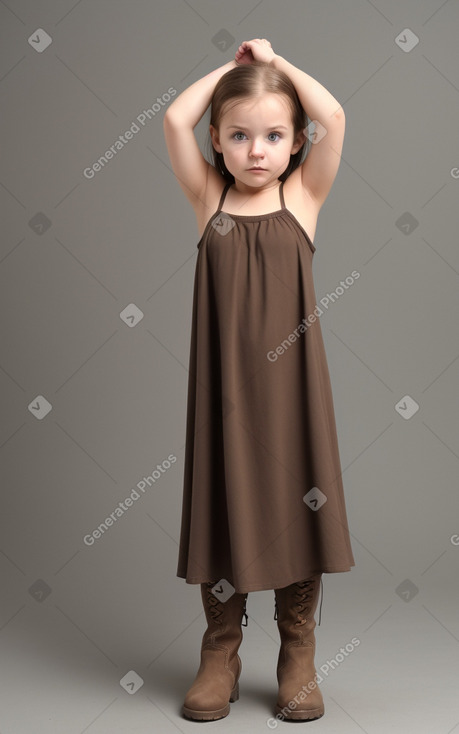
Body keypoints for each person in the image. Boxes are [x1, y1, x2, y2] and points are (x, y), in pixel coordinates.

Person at [163, 38, 355, 723]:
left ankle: (296, 650)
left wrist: (274, 61)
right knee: (224, 506)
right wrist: (233, 69)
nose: (255, 151)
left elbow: (332, 114)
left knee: (296, 508)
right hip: (225, 398)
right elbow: (171, 119)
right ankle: (220, 650)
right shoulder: (206, 197)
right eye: (238, 136)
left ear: (294, 141)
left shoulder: (302, 196)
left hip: (293, 394)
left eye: (273, 135)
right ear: (216, 141)